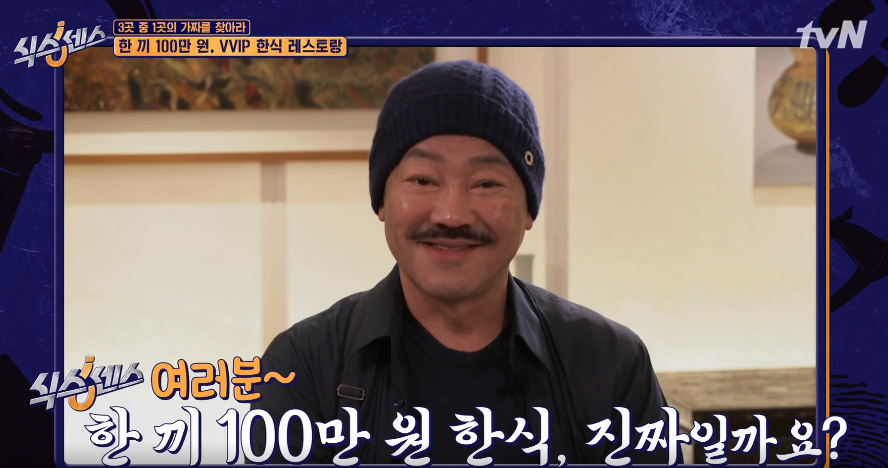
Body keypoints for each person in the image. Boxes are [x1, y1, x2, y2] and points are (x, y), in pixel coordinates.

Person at [252, 60, 678, 465]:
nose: (451, 215)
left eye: (486, 183)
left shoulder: (610, 364)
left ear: (528, 209)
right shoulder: (304, 367)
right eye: (423, 180)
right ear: (382, 200)